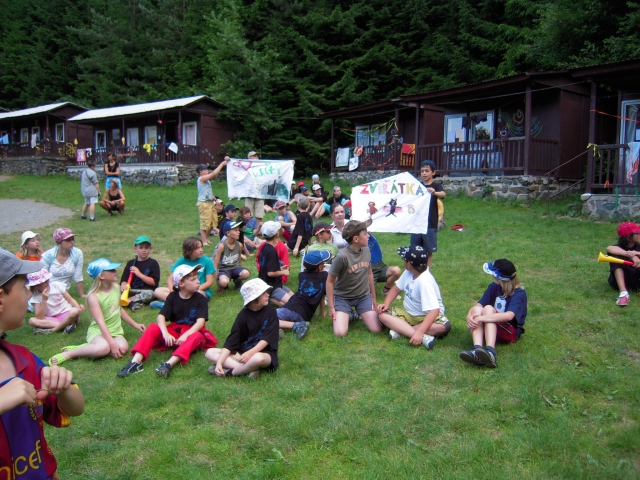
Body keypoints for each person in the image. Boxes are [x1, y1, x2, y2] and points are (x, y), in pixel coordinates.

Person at [0, 249, 85, 479]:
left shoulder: (23, 360)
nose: (29, 293)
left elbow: (76, 408)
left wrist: (64, 387)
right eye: (24, 286)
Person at [117, 264, 218, 378]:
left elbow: (200, 323)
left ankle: (168, 364)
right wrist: (165, 333)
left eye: (197, 278)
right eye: (193, 279)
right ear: (181, 283)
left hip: (192, 333)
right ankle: (135, 362)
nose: (198, 281)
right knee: (153, 327)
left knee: (196, 336)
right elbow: (161, 317)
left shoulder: (200, 299)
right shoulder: (172, 297)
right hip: (176, 332)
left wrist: (185, 336)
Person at [48, 258, 146, 366]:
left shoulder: (116, 288)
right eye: (111, 270)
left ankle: (89, 347)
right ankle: (70, 354)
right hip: (98, 331)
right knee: (104, 348)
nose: (116, 271)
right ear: (102, 276)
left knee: (122, 349)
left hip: (115, 331)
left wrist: (135, 325)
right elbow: (100, 322)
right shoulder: (94, 297)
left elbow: (119, 310)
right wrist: (112, 344)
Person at [377, 246, 451, 349]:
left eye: (404, 259)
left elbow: (434, 310)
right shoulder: (408, 272)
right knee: (381, 314)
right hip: (408, 314)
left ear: (409, 265)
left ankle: (402, 330)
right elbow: (396, 289)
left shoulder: (425, 282)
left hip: (428, 317)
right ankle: (420, 335)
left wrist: (420, 331)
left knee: (444, 326)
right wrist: (386, 303)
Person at [459, 259, 527, 369]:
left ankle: (491, 352)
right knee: (477, 310)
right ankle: (477, 349)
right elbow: (478, 305)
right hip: (493, 328)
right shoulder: (494, 286)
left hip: (510, 332)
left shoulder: (519, 293)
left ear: (500, 279)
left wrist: (481, 318)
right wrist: (469, 316)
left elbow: (509, 316)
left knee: (488, 309)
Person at [205, 278, 279, 380]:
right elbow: (231, 341)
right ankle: (250, 369)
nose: (268, 295)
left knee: (258, 358)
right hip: (242, 354)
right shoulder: (243, 315)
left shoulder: (271, 312)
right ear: (254, 297)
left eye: (267, 292)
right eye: (263, 293)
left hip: (264, 353)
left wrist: (250, 353)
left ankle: (231, 372)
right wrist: (219, 362)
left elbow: (267, 339)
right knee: (210, 353)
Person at [326, 219, 382, 337]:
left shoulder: (366, 250)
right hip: (343, 297)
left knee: (376, 329)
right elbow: (330, 281)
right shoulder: (342, 257)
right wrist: (331, 307)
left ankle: (355, 313)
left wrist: (373, 298)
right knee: (340, 333)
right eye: (365, 234)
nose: (368, 236)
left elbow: (369, 273)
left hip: (363, 296)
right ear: (356, 239)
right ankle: (350, 314)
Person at [278, 250, 329, 340]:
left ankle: (297, 325)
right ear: (320, 267)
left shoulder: (301, 275)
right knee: (274, 321)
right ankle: (277, 331)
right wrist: (322, 312)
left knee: (266, 317)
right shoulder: (325, 276)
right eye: (323, 263)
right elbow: (321, 293)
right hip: (305, 315)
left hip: (293, 307)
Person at [155, 237, 216, 302]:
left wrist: (194, 290)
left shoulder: (207, 261)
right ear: (189, 250)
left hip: (199, 291)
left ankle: (173, 303)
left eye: (201, 247)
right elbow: (170, 279)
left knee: (199, 294)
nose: (201, 250)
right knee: (158, 291)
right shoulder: (181, 261)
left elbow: (209, 282)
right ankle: (177, 302)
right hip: (182, 291)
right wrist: (172, 292)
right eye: (197, 248)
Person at [410, 160, 446, 268]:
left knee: (428, 250)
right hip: (417, 223)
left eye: (427, 171)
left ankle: (427, 271)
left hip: (430, 223)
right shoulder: (418, 186)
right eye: (422, 171)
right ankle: (415, 270)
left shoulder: (436, 186)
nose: (424, 173)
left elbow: (443, 194)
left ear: (433, 172)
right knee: (415, 249)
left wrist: (434, 192)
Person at [27, 268, 84, 334]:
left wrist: (78, 307)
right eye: (43, 282)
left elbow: (70, 299)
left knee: (74, 311)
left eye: (47, 280)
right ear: (36, 286)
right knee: (32, 321)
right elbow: (40, 317)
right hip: (53, 319)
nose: (46, 283)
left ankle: (52, 330)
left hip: (68, 314)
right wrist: (44, 300)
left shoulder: (56, 285)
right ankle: (66, 326)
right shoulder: (36, 297)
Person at [120, 235, 161, 311]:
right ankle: (134, 302)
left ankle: (128, 301)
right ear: (135, 249)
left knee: (151, 294)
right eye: (141, 247)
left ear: (150, 249)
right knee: (115, 288)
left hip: (145, 291)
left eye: (146, 248)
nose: (144, 250)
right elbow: (124, 280)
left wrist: (139, 274)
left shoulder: (153, 263)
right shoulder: (130, 263)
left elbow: (154, 283)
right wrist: (123, 285)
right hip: (131, 290)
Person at [42, 228, 85, 297]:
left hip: (65, 292)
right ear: (59, 242)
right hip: (48, 291)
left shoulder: (77, 253)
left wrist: (82, 295)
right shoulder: (47, 256)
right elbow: (42, 277)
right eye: (68, 240)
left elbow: (78, 275)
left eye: (73, 239)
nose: (72, 242)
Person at [257, 221, 292, 306]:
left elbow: (267, 267)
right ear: (277, 234)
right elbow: (270, 273)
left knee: (295, 298)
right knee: (292, 304)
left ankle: (268, 296)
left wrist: (280, 268)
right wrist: (284, 272)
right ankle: (269, 297)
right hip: (271, 286)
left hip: (273, 283)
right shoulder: (272, 251)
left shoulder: (264, 247)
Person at [605, 221, 640, 306]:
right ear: (629, 236)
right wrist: (631, 256)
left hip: (637, 281)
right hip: (618, 283)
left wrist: (637, 253)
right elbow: (609, 248)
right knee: (615, 257)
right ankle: (623, 293)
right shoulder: (618, 248)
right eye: (637, 233)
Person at [196, 160, 229, 246]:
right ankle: (204, 241)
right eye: (205, 169)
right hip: (204, 204)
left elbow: (208, 191)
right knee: (205, 223)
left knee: (212, 222)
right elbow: (214, 174)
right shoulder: (201, 179)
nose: (207, 170)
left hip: (210, 203)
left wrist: (215, 199)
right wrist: (222, 164)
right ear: (200, 172)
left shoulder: (207, 181)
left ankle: (206, 238)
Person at [214, 221, 251, 291]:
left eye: (238, 230)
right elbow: (215, 264)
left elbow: (239, 260)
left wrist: (240, 269)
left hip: (235, 268)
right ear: (228, 233)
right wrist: (217, 282)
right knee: (223, 282)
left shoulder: (239, 245)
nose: (238, 232)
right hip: (224, 269)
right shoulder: (222, 246)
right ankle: (224, 284)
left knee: (246, 273)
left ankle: (237, 280)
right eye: (235, 230)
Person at [244, 151, 265, 235]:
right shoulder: (245, 166)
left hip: (260, 193)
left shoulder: (262, 166)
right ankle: (249, 231)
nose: (256, 157)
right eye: (254, 156)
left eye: (257, 156)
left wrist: (289, 164)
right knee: (248, 213)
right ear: (249, 158)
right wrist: (228, 160)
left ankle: (258, 232)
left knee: (259, 214)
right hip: (249, 193)